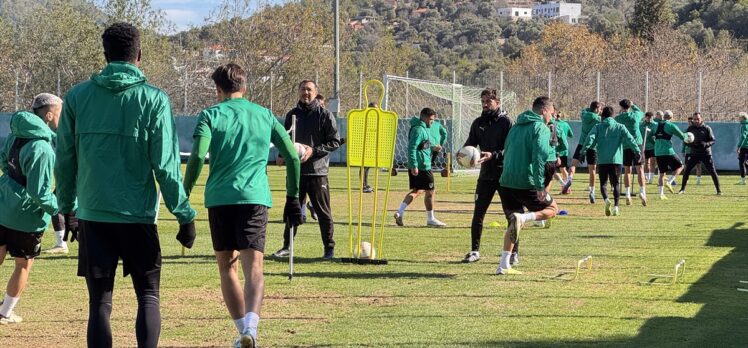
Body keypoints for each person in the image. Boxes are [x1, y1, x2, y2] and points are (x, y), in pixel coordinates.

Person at [55, 23, 196, 348]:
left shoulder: (77, 97)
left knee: (100, 305)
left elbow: (64, 159)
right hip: (138, 218)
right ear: (139, 54)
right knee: (148, 296)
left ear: (105, 54)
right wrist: (184, 215)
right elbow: (166, 165)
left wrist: (68, 209)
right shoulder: (154, 99)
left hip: (93, 216)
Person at [183, 64, 302, 348]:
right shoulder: (264, 115)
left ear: (218, 89)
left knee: (227, 268)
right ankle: (251, 328)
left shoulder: (210, 115)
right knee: (255, 268)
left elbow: (198, 156)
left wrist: (184, 193)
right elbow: (293, 157)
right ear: (245, 86)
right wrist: (293, 197)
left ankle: (240, 333)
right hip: (254, 198)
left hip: (220, 199)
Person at [0, 93, 62, 324]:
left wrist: (11, 183)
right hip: (26, 216)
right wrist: (60, 208)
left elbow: (3, 159)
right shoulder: (43, 148)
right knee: (23, 265)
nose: (61, 119)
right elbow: (39, 193)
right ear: (48, 115)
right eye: (59, 114)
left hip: (3, 203)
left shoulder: (16, 133)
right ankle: (5, 312)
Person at [273, 80, 340, 260]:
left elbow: (334, 142)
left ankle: (329, 249)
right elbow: (285, 139)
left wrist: (313, 151)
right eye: (303, 89)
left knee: (323, 212)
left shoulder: (324, 115)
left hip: (318, 173)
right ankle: (287, 246)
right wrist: (281, 154)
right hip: (296, 173)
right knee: (291, 209)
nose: (306, 93)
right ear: (298, 92)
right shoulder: (292, 115)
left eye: (309, 90)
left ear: (315, 92)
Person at [496, 96, 558, 275]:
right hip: (527, 182)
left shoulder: (515, 126)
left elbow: (507, 152)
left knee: (512, 222)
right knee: (553, 209)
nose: (552, 118)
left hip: (506, 182)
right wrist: (540, 186)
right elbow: (539, 158)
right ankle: (525, 218)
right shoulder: (540, 128)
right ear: (544, 110)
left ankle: (504, 265)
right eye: (551, 114)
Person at [458, 88, 512, 263]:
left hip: (505, 175)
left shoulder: (506, 122)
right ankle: (474, 251)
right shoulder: (478, 123)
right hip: (485, 176)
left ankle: (513, 254)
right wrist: (462, 156)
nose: (485, 105)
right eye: (483, 102)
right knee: (478, 214)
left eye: (488, 101)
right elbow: (469, 146)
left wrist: (494, 155)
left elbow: (512, 149)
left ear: (497, 102)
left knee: (511, 215)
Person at [582, 106, 640, 216]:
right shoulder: (620, 126)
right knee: (616, 183)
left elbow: (590, 139)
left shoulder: (598, 127)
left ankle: (606, 200)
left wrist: (583, 151)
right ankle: (616, 207)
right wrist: (637, 151)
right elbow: (630, 139)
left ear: (603, 115)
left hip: (603, 160)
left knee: (603, 184)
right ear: (613, 115)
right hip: (616, 160)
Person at [393, 108, 446, 227]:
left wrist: (433, 147)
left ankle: (399, 212)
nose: (432, 123)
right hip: (422, 166)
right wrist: (415, 165)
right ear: (424, 117)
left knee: (417, 191)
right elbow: (412, 147)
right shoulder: (418, 129)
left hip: (419, 165)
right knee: (431, 191)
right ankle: (431, 219)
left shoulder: (421, 128)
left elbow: (422, 145)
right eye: (431, 120)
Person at [563, 101, 602, 203]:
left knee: (573, 164)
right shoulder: (598, 119)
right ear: (597, 109)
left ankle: (570, 179)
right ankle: (592, 191)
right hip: (593, 146)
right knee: (592, 170)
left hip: (581, 144)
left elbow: (584, 110)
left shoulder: (584, 115)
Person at [614, 99, 647, 206]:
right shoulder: (636, 115)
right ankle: (642, 191)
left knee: (627, 170)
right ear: (629, 106)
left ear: (621, 107)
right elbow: (641, 111)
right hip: (637, 145)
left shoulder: (618, 118)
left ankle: (628, 193)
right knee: (640, 169)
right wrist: (633, 105)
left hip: (626, 145)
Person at [679, 112, 721, 195]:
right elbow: (685, 140)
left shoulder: (707, 128)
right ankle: (682, 189)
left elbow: (713, 140)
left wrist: (706, 144)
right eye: (694, 119)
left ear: (701, 119)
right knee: (686, 171)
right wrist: (691, 144)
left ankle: (719, 191)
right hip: (694, 153)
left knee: (712, 171)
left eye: (698, 119)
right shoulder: (690, 129)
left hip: (706, 154)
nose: (696, 121)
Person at [653, 110, 688, 200]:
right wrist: (688, 136)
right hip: (668, 151)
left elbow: (651, 136)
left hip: (657, 152)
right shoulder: (671, 125)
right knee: (680, 166)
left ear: (663, 117)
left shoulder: (655, 125)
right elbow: (682, 136)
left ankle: (661, 194)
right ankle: (670, 181)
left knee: (661, 173)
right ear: (671, 118)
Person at [555, 111, 574, 191]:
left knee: (551, 170)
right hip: (564, 150)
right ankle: (567, 187)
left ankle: (565, 185)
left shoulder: (553, 124)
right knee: (563, 169)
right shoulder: (566, 124)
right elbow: (571, 135)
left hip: (555, 150)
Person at [639, 111, 659, 184]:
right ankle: (646, 176)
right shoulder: (641, 125)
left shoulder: (655, 125)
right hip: (644, 146)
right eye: (648, 118)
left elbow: (657, 135)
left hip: (653, 146)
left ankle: (651, 178)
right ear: (645, 117)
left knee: (653, 162)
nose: (649, 119)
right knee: (645, 162)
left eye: (651, 118)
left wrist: (653, 137)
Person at [736, 112, 748, 185]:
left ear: (743, 118)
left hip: (744, 147)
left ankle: (743, 181)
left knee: (741, 163)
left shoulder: (744, 125)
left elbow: (744, 136)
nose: (738, 119)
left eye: (739, 117)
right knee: (745, 163)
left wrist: (739, 146)